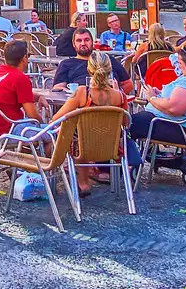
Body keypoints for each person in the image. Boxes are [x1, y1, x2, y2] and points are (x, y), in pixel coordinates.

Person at [49, 50, 130, 189]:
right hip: (111, 146)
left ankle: (83, 182)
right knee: (82, 134)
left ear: (89, 70)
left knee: (74, 134)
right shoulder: (120, 96)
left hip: (83, 147)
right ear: (109, 69)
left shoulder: (83, 93)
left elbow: (56, 119)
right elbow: (125, 124)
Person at [128, 41, 186, 160]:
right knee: (129, 123)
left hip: (180, 129)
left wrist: (152, 98)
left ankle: (123, 167)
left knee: (124, 126)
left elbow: (173, 109)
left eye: (180, 63)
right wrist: (160, 94)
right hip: (176, 124)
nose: (178, 66)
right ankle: (143, 159)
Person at [0, 38, 42, 139]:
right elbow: (33, 116)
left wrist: (39, 96)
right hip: (10, 130)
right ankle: (38, 154)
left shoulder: (0, 71)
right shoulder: (20, 78)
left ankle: (30, 154)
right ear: (24, 59)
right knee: (57, 133)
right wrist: (46, 125)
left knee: (42, 135)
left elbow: (14, 93)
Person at [51, 27, 129, 95]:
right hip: (79, 107)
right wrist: (74, 94)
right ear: (74, 44)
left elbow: (128, 84)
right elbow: (57, 88)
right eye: (79, 40)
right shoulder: (66, 64)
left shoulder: (107, 59)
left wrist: (115, 94)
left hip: (110, 106)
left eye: (86, 40)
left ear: (92, 42)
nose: (83, 43)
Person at [141, 25, 181, 91]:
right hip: (166, 71)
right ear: (163, 33)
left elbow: (134, 60)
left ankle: (139, 93)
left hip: (149, 72)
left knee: (137, 67)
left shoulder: (145, 46)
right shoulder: (169, 46)